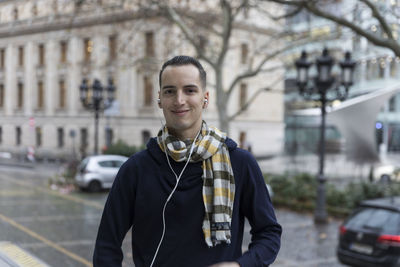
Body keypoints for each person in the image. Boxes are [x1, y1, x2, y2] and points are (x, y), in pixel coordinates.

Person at [93, 55, 282, 267]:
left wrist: (240, 266)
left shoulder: (239, 162)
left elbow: (269, 233)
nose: (179, 100)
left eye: (190, 90)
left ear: (205, 97)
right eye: (170, 91)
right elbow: (106, 246)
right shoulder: (135, 169)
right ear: (160, 99)